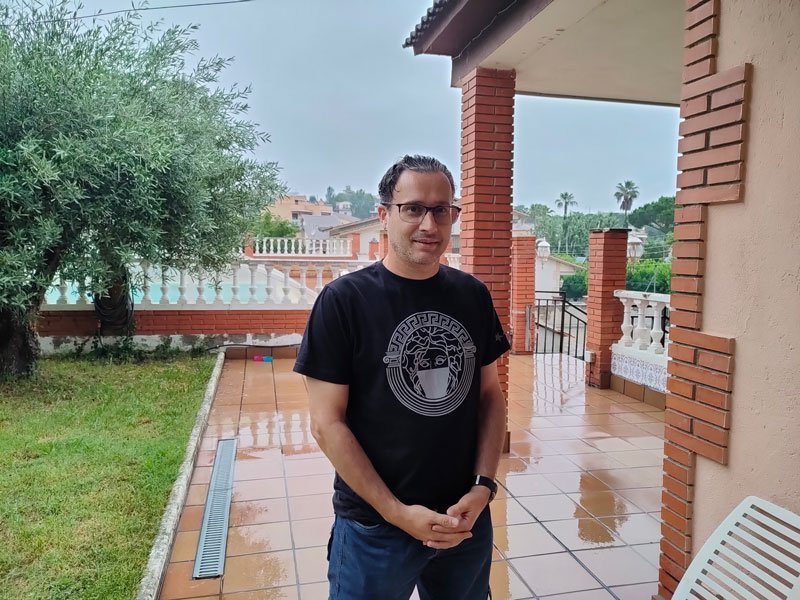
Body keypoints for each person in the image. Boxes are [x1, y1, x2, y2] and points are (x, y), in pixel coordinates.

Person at [294, 155, 510, 599]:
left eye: (441, 210)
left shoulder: (472, 295)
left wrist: (483, 487)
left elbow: (490, 396)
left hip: (463, 519)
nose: (429, 224)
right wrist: (396, 512)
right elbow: (326, 424)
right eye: (413, 209)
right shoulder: (344, 302)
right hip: (376, 527)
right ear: (383, 215)